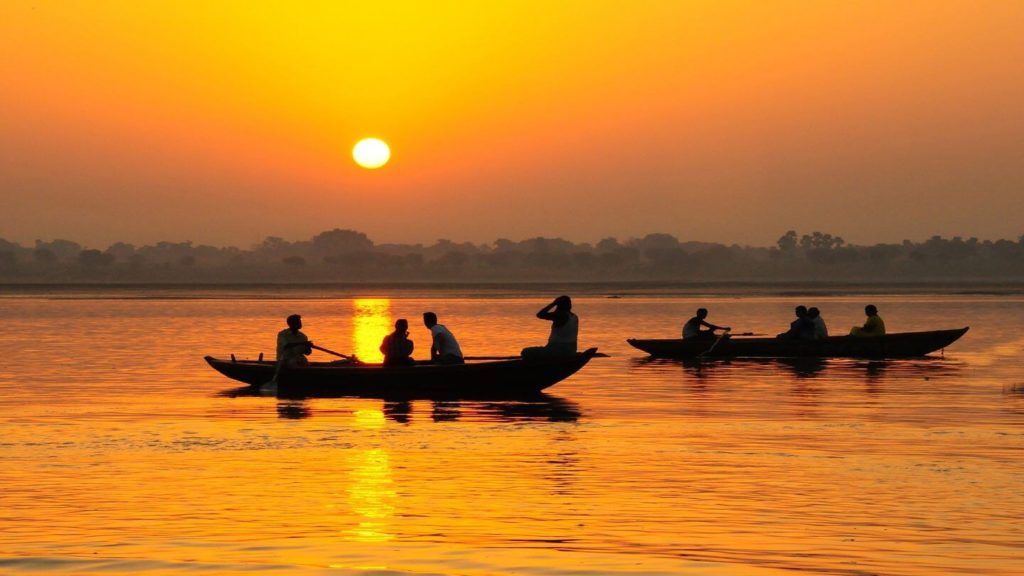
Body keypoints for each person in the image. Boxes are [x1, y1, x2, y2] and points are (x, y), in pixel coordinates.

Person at [521, 295, 578, 360]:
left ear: (559, 305)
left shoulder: (560, 315)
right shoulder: (574, 316)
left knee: (525, 352)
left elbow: (540, 314)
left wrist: (553, 304)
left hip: (557, 350)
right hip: (571, 350)